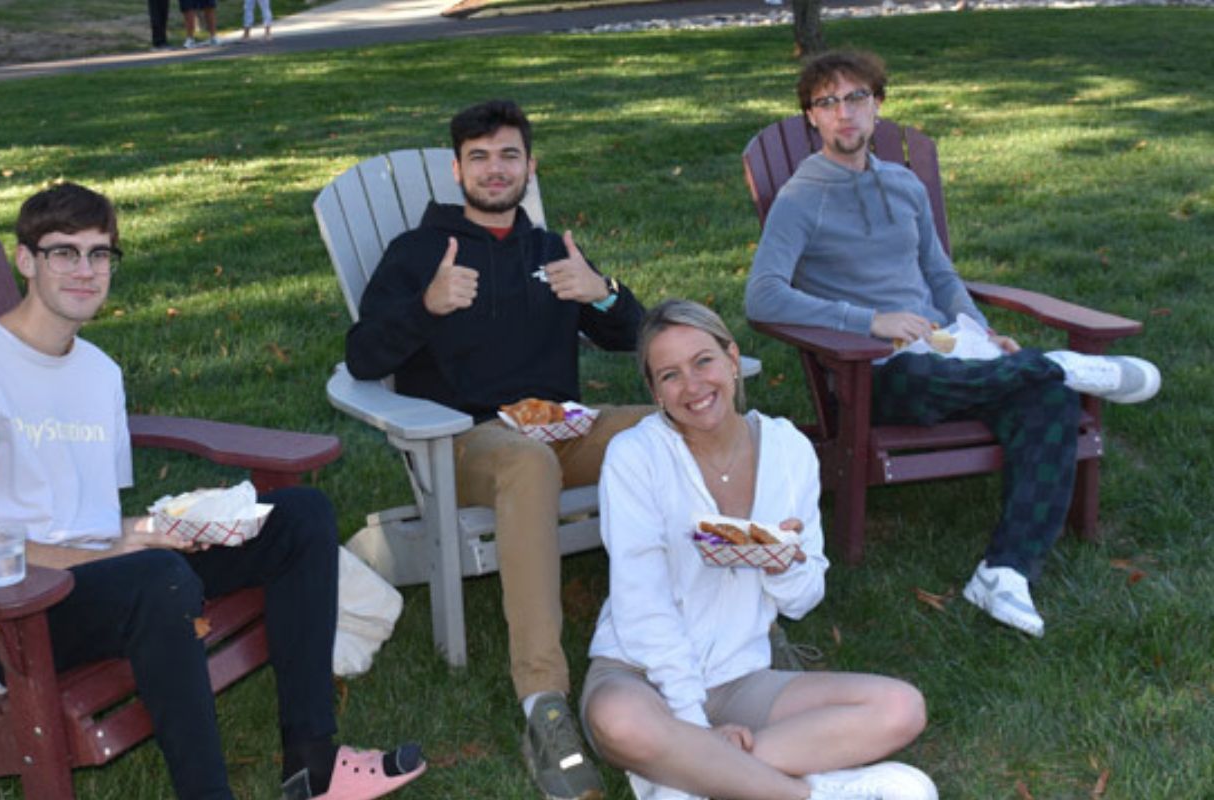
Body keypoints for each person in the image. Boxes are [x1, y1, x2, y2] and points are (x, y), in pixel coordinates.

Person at [0, 182, 425, 800]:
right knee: (161, 580)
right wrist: (117, 557)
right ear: (25, 260)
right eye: (63, 252)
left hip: (110, 579)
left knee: (297, 516)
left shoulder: (98, 372)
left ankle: (313, 762)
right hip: (18, 608)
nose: (85, 270)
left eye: (100, 254)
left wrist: (169, 528)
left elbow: (91, 517)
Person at [744, 50, 1161, 638]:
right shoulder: (800, 198)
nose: (844, 113)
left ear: (879, 107)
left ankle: (1005, 571)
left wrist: (980, 331)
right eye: (828, 102)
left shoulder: (905, 184)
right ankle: (1060, 366)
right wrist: (870, 321)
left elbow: (941, 275)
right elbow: (762, 298)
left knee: (1049, 405)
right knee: (1024, 383)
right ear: (811, 117)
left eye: (856, 97)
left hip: (952, 350)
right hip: (880, 373)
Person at [345, 99, 647, 800]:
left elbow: (634, 334)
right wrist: (428, 306)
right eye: (478, 157)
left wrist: (601, 295)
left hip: (561, 428)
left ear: (529, 166)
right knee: (527, 461)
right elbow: (362, 357)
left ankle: (709, 626)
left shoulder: (550, 250)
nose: (494, 169)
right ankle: (544, 705)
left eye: (508, 155)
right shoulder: (420, 253)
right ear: (457, 170)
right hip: (465, 443)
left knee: (666, 429)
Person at [583, 299, 935, 800]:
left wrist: (785, 562)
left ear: (732, 359)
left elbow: (803, 598)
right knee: (619, 723)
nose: (694, 386)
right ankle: (808, 793)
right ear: (654, 391)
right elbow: (642, 606)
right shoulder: (635, 456)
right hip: (640, 672)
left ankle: (697, 777)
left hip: (739, 675)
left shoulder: (789, 450)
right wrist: (692, 722)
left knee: (901, 707)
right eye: (670, 375)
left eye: (704, 361)